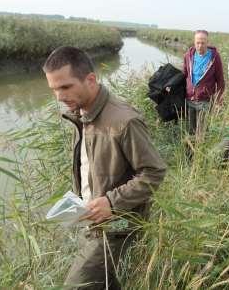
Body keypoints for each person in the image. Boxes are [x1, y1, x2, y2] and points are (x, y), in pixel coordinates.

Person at [43, 46, 167, 289]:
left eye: (65, 87)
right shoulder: (81, 112)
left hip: (117, 227)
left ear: (90, 79)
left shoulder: (124, 120)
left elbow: (154, 172)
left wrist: (111, 202)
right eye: (54, 89)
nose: (59, 96)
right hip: (93, 219)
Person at [182, 30, 225, 135]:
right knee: (191, 131)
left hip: (205, 101)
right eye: (198, 42)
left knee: (202, 131)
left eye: (203, 42)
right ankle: (191, 150)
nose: (200, 45)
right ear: (194, 42)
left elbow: (220, 80)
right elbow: (184, 74)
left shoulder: (214, 57)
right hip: (190, 99)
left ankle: (200, 149)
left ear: (207, 42)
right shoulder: (188, 55)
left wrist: (218, 99)